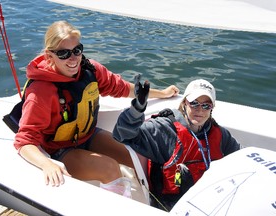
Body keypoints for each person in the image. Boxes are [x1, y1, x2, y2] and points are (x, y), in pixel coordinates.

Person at [13, 20, 179, 196]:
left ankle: (160, 198)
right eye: (63, 53)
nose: (73, 59)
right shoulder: (40, 92)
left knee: (136, 154)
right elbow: (24, 141)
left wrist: (162, 93)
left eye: (77, 50)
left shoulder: (90, 70)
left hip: (88, 135)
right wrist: (47, 164)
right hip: (59, 149)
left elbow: (121, 87)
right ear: (49, 56)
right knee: (109, 169)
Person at [113, 78, 241, 209]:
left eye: (206, 105)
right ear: (184, 102)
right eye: (194, 103)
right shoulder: (164, 129)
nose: (200, 110)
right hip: (172, 206)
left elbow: (241, 158)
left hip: (211, 201)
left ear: (212, 108)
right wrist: (136, 111)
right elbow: (122, 135)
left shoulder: (220, 135)